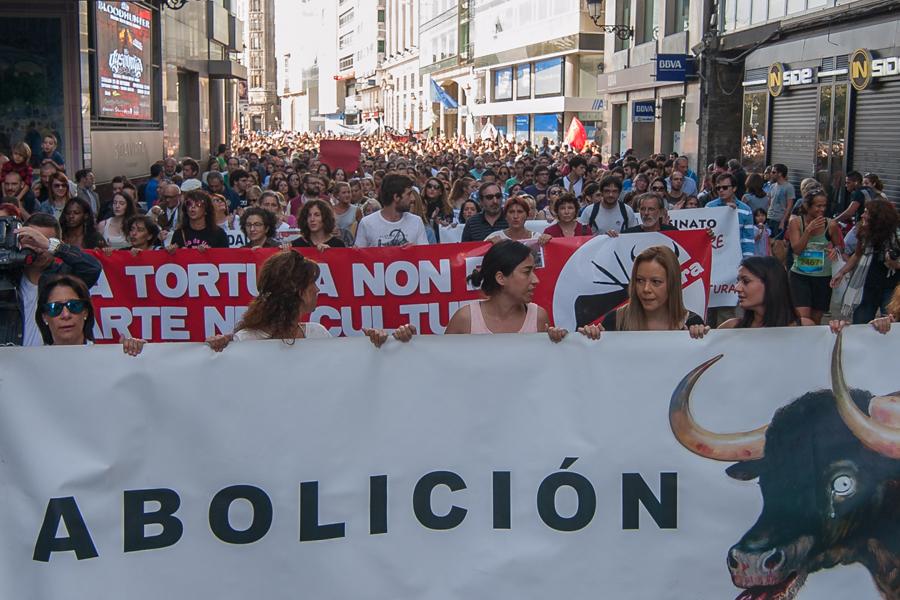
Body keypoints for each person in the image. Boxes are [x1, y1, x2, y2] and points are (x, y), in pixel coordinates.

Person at [204, 251, 414, 349]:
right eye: (313, 283)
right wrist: (216, 351)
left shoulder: (317, 333)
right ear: (297, 290)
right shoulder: (246, 341)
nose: (318, 288)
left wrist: (375, 346)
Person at [9, 213, 102, 346]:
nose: (38, 249)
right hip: (10, 360)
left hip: (54, 359)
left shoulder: (64, 275)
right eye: (31, 240)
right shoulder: (8, 276)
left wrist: (51, 245)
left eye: (43, 241)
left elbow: (92, 268)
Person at [445, 240, 550, 335]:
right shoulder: (465, 319)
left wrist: (559, 344)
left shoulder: (538, 318)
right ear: (500, 278)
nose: (536, 280)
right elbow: (442, 355)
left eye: (534, 271)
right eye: (526, 272)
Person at [693, 257, 814, 336]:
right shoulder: (730, 328)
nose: (736, 288)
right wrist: (698, 338)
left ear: (771, 284)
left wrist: (832, 334)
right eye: (738, 281)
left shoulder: (805, 328)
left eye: (746, 281)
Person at [601, 246, 705, 331]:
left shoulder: (692, 323)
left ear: (672, 284)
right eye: (640, 280)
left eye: (656, 282)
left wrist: (701, 340)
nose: (646, 289)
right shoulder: (614, 321)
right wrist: (592, 340)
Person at [830, 199, 900, 324]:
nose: (863, 215)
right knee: (861, 324)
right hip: (866, 286)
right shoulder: (865, 233)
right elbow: (857, 255)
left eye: (867, 213)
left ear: (878, 218)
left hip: (891, 287)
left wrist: (895, 264)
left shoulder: (896, 236)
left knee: (891, 323)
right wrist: (841, 272)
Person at [786, 190, 844, 324]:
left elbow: (839, 246)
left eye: (824, 206)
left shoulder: (831, 225)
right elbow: (797, 250)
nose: (822, 209)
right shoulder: (796, 222)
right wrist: (808, 231)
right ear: (807, 206)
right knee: (803, 319)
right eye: (818, 206)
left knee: (816, 319)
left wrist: (835, 250)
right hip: (800, 275)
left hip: (822, 277)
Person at [354, 173, 428, 247]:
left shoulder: (416, 221)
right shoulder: (367, 223)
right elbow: (358, 256)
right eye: (409, 194)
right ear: (396, 197)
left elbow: (425, 255)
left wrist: (415, 250)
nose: (413, 199)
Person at [35, 274, 95, 346]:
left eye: (74, 306)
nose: (66, 315)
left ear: (85, 312)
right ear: (44, 317)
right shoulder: (35, 357)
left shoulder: (104, 356)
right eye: (55, 308)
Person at [706, 172, 755, 257]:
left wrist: (747, 261)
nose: (721, 190)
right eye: (718, 188)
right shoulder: (709, 207)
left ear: (734, 188)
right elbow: (704, 233)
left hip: (736, 257)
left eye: (725, 187)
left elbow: (747, 239)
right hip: (715, 255)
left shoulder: (745, 210)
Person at [486, 195, 551, 245]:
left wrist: (550, 241)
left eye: (520, 212)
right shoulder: (494, 238)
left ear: (527, 215)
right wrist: (488, 244)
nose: (515, 216)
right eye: (511, 212)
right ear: (505, 216)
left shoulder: (538, 238)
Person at [766, 163, 795, 238]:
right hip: (770, 218)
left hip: (779, 219)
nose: (771, 174)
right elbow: (769, 201)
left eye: (773, 172)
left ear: (780, 173)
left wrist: (783, 221)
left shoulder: (789, 187)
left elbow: (789, 205)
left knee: (777, 243)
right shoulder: (772, 186)